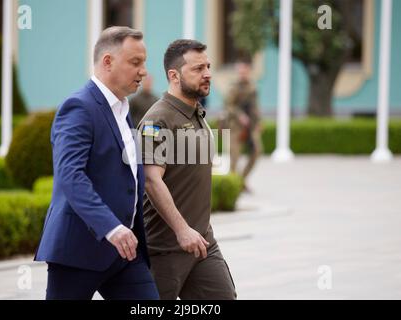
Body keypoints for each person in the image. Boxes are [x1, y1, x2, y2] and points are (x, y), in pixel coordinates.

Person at [34, 26, 159, 300]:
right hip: (79, 251)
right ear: (107, 62)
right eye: (135, 62)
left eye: (144, 63)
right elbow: (70, 176)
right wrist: (111, 228)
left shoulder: (123, 108)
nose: (143, 71)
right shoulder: (79, 107)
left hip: (126, 253)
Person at [138, 39, 237, 300]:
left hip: (203, 244)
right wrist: (182, 230)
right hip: (164, 250)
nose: (207, 74)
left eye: (208, 66)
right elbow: (150, 179)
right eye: (197, 68)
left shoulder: (198, 114)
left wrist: (196, 231)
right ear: (174, 75)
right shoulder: (157, 119)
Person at [225, 61, 263, 191]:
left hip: (250, 126)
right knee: (234, 156)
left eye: (245, 71)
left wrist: (258, 122)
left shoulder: (252, 87)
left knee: (257, 151)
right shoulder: (233, 87)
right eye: (240, 72)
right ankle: (232, 185)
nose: (243, 74)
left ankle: (242, 180)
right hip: (236, 126)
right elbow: (229, 106)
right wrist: (240, 115)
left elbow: (255, 107)